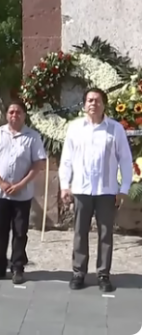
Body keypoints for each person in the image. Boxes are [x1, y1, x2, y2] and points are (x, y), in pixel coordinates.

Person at [59, 88, 133, 293]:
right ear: (84, 105)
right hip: (81, 189)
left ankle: (103, 274)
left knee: (105, 234)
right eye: (90, 100)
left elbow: (125, 160)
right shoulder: (75, 128)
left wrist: (124, 188)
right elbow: (66, 160)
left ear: (104, 105)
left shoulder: (115, 129)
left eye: (97, 100)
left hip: (106, 191)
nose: (93, 103)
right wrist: (65, 185)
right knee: (80, 233)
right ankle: (78, 273)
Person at [0, 100, 47, 284]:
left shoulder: (33, 137)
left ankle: (17, 267)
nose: (14, 115)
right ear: (6, 115)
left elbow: (38, 164)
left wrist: (21, 184)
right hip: (0, 193)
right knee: (0, 231)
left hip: (22, 194)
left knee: (20, 232)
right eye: (11, 112)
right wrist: (0, 182)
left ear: (24, 115)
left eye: (18, 112)